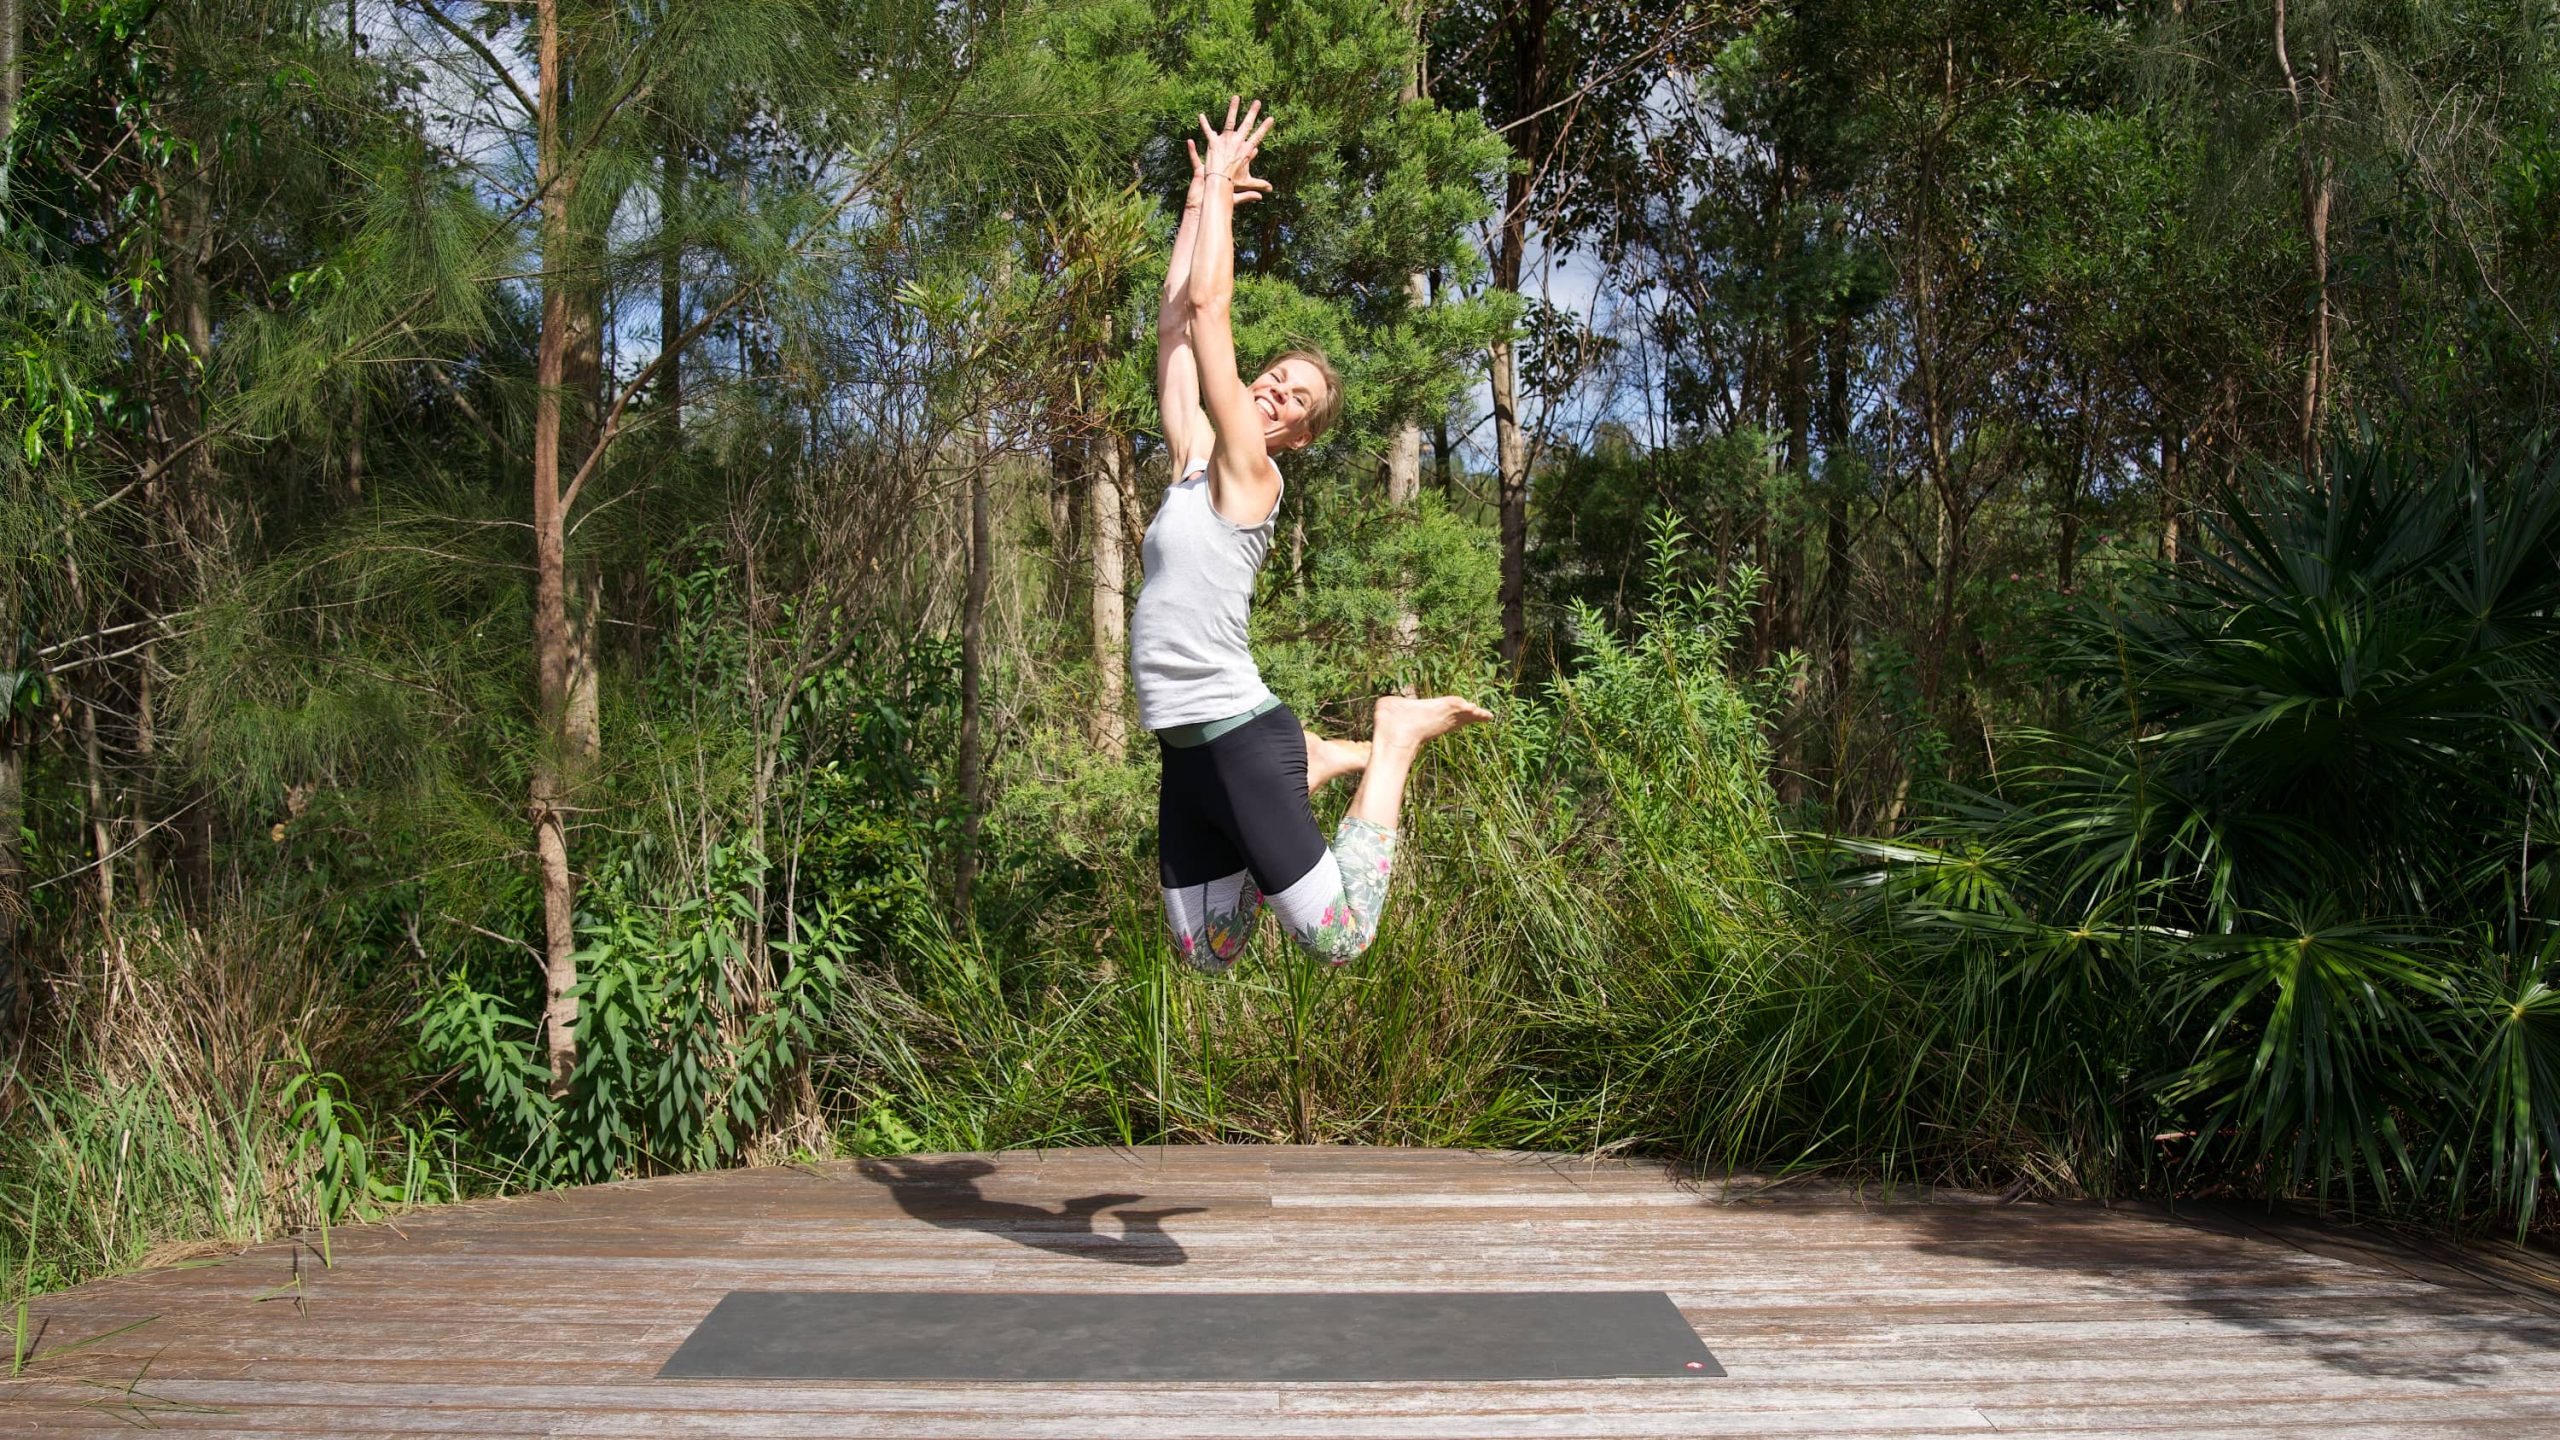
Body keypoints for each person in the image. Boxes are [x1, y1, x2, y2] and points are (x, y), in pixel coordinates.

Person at [1133, 97, 1492, 974]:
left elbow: (1212, 313)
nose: (1276, 394)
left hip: (1233, 730)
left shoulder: (1253, 478)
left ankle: (1393, 736)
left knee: (1340, 938)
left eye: (1298, 401)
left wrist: (1221, 184)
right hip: (1182, 747)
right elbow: (1178, 322)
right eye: (1274, 379)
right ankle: (1319, 758)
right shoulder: (1192, 460)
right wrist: (1193, 204)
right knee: (1208, 956)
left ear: (1294, 438)